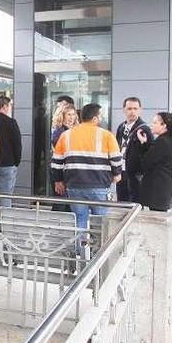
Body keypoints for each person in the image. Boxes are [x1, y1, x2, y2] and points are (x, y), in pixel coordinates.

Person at [51, 104, 122, 252]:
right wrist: (116, 174)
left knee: (80, 220)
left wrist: (58, 180)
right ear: (95, 118)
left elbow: (56, 162)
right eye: (100, 116)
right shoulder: (106, 135)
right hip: (99, 186)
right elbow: (116, 159)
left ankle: (82, 254)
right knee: (100, 222)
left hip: (74, 186)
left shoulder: (66, 135)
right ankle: (98, 254)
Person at [137, 112, 172, 212]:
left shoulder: (162, 142)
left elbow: (145, 163)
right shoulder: (170, 140)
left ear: (164, 125)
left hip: (157, 190)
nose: (151, 125)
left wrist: (142, 145)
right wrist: (146, 144)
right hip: (163, 189)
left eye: (154, 122)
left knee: (156, 222)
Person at [114, 97, 152, 203]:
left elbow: (149, 152)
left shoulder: (144, 129)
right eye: (129, 108)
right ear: (124, 110)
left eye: (135, 109)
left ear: (140, 110)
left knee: (135, 204)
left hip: (136, 174)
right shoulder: (121, 127)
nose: (132, 112)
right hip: (121, 171)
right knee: (121, 202)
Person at [0, 96, 22, 209]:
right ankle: (4, 223)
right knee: (6, 197)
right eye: (9, 106)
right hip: (7, 164)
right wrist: (16, 162)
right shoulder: (11, 122)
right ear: (4, 106)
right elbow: (17, 144)